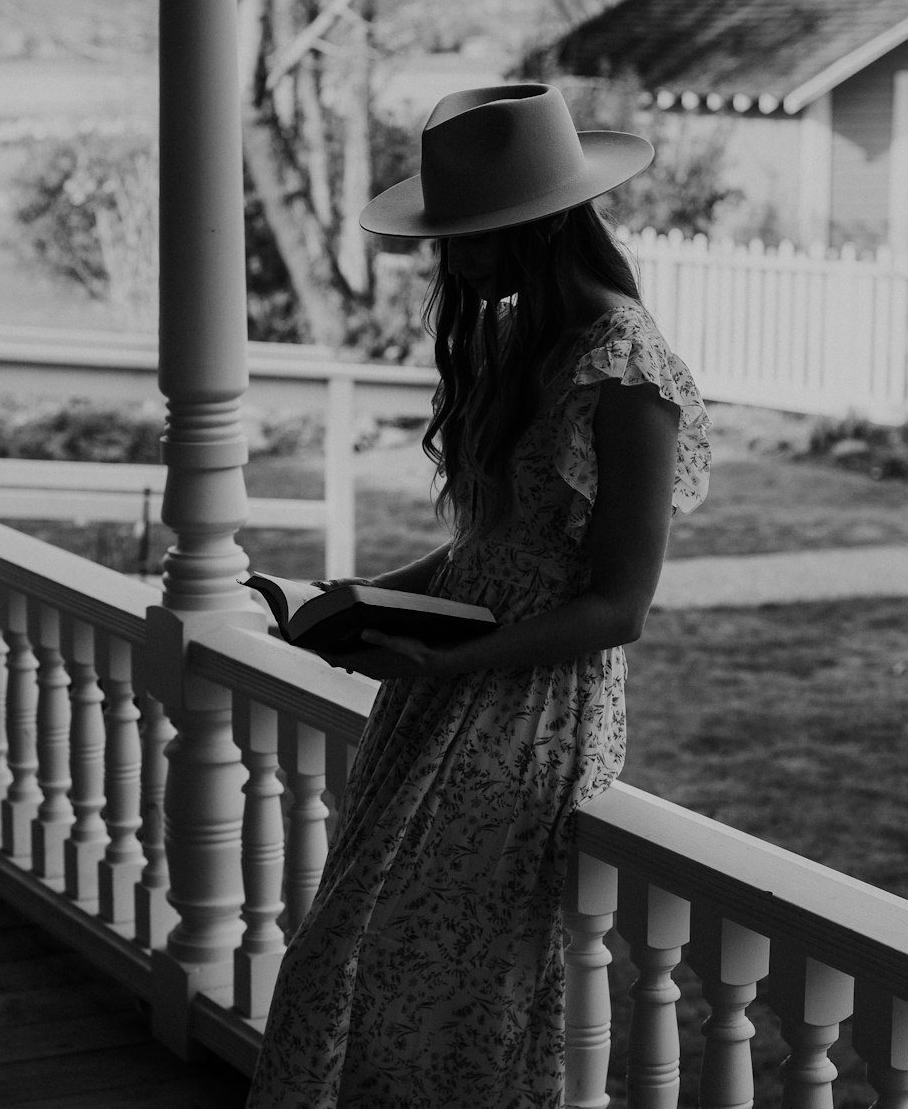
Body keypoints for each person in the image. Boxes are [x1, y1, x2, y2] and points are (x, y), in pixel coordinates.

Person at [246, 82, 711, 1109]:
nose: (449, 258)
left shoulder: (628, 375)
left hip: (527, 707)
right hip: (442, 689)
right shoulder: (522, 344)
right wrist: (364, 600)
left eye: (469, 234)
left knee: (414, 972)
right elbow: (487, 547)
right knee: (363, 961)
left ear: (539, 226)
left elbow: (617, 606)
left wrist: (459, 661)